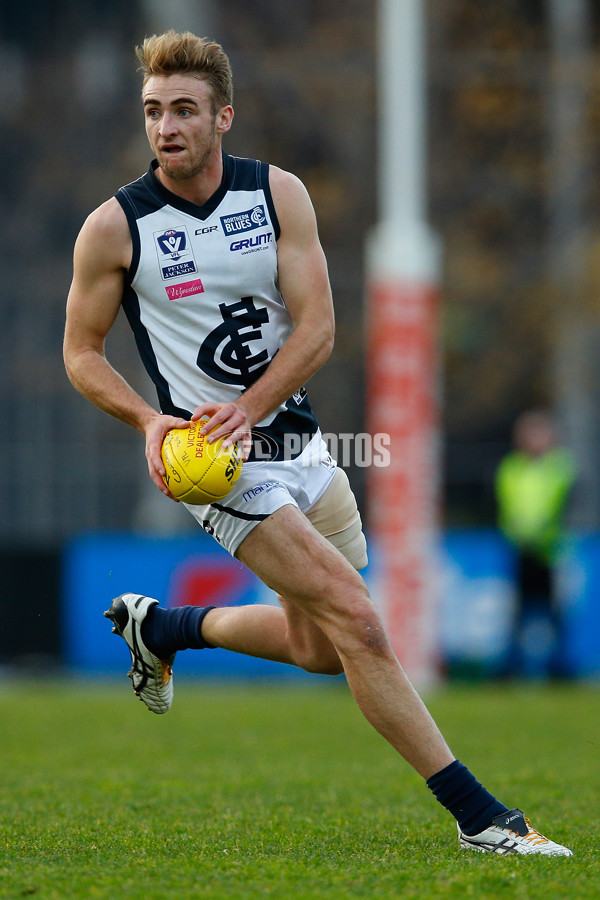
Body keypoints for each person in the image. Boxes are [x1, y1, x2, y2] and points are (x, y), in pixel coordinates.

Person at [63, 30, 571, 856]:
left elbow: (320, 328)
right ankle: (484, 818)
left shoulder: (277, 196)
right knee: (360, 623)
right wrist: (153, 422)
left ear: (223, 116)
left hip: (301, 446)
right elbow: (80, 353)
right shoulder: (115, 228)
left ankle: (164, 630)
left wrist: (254, 405)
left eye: (185, 110)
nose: (167, 128)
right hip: (217, 467)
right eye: (154, 111)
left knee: (322, 649)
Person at [495, 410, 576, 679]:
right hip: (520, 549)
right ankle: (513, 665)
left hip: (550, 551)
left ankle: (560, 666)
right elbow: (507, 506)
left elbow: (562, 504)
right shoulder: (511, 468)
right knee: (519, 611)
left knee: (555, 611)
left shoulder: (559, 466)